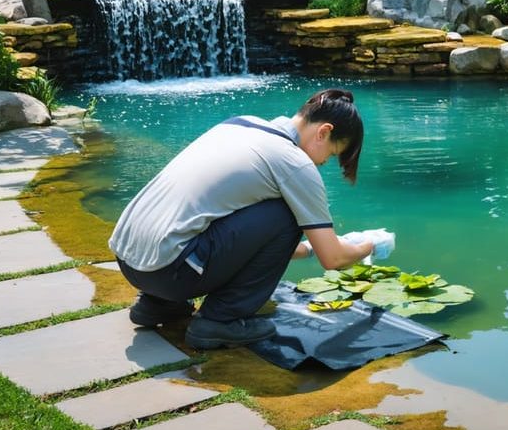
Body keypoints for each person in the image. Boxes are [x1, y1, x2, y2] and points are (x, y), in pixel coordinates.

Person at [108, 89, 394, 350]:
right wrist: (369, 244)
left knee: (230, 210)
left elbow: (235, 230)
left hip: (131, 264)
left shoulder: (238, 124)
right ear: (324, 131)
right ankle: (220, 320)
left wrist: (307, 249)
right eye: (332, 154)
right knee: (288, 214)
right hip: (170, 271)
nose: (323, 163)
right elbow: (332, 259)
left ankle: (157, 304)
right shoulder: (295, 163)